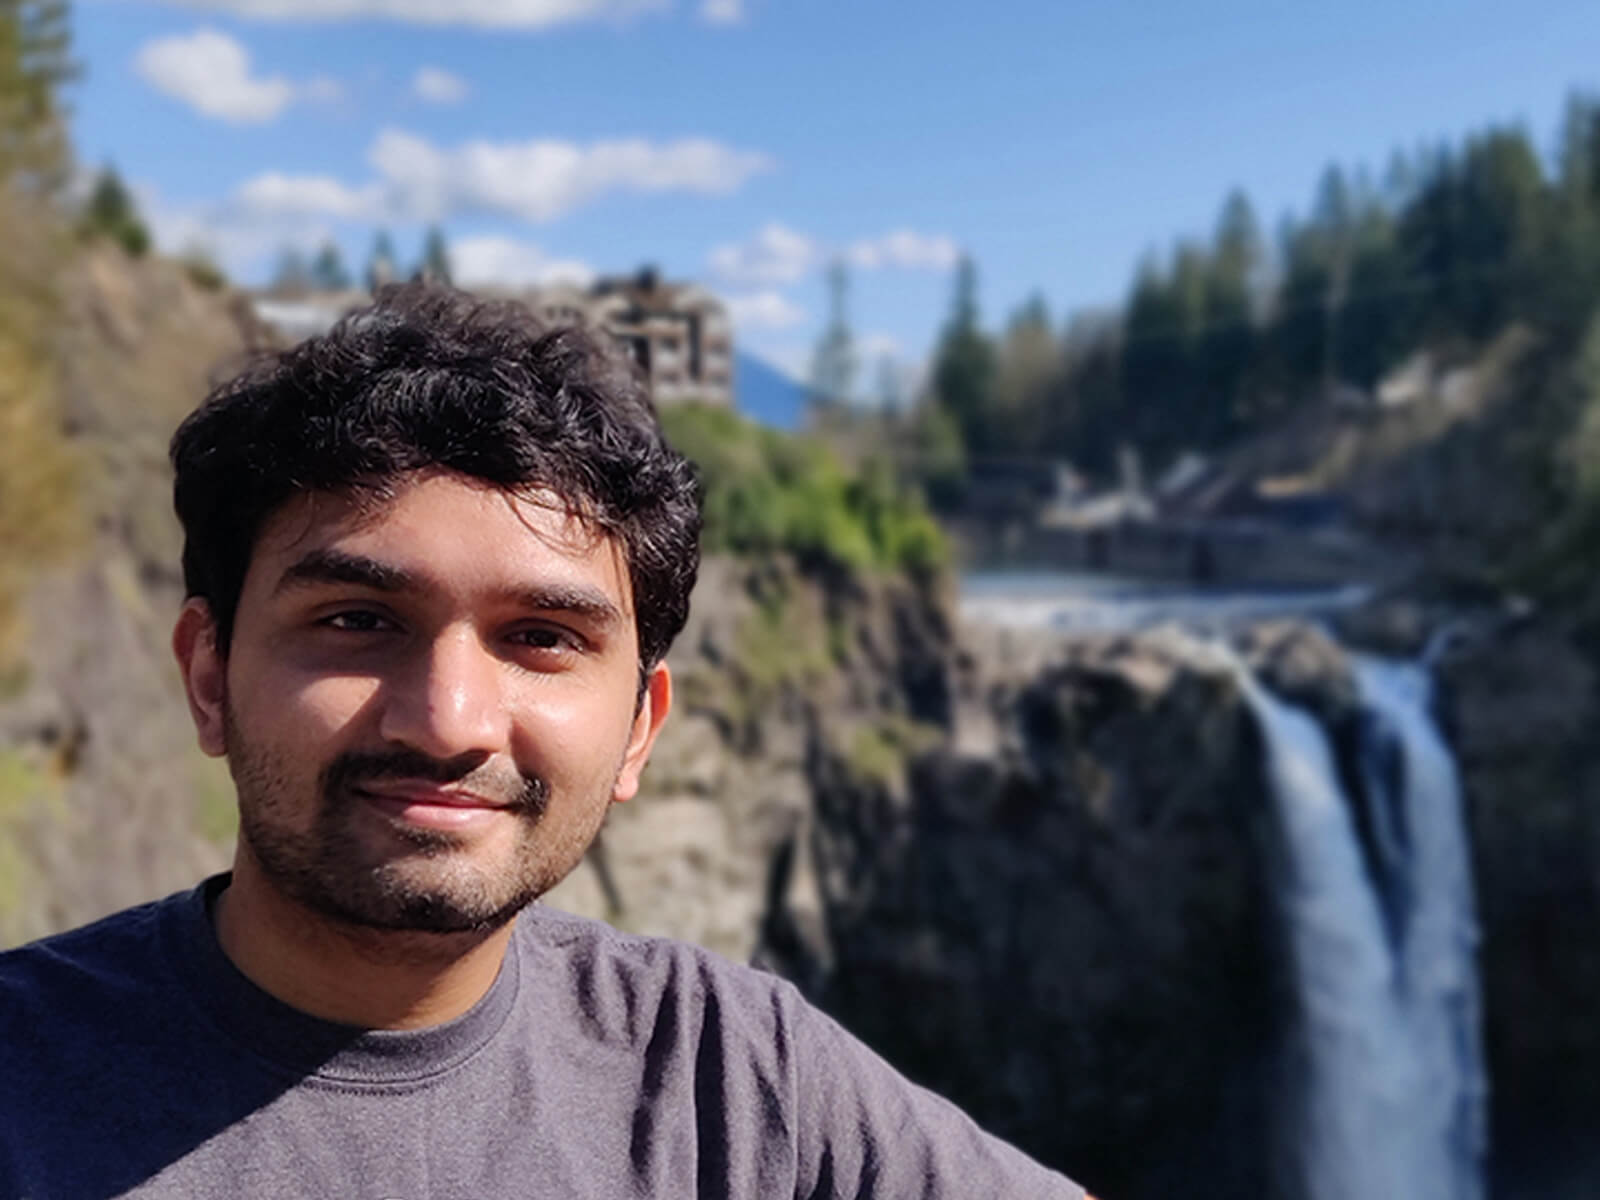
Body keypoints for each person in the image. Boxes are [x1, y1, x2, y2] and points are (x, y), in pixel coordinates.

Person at [0, 284, 1086, 1199]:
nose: (448, 720)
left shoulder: (732, 1074)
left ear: (637, 732)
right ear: (207, 675)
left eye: (542, 639)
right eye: (357, 621)